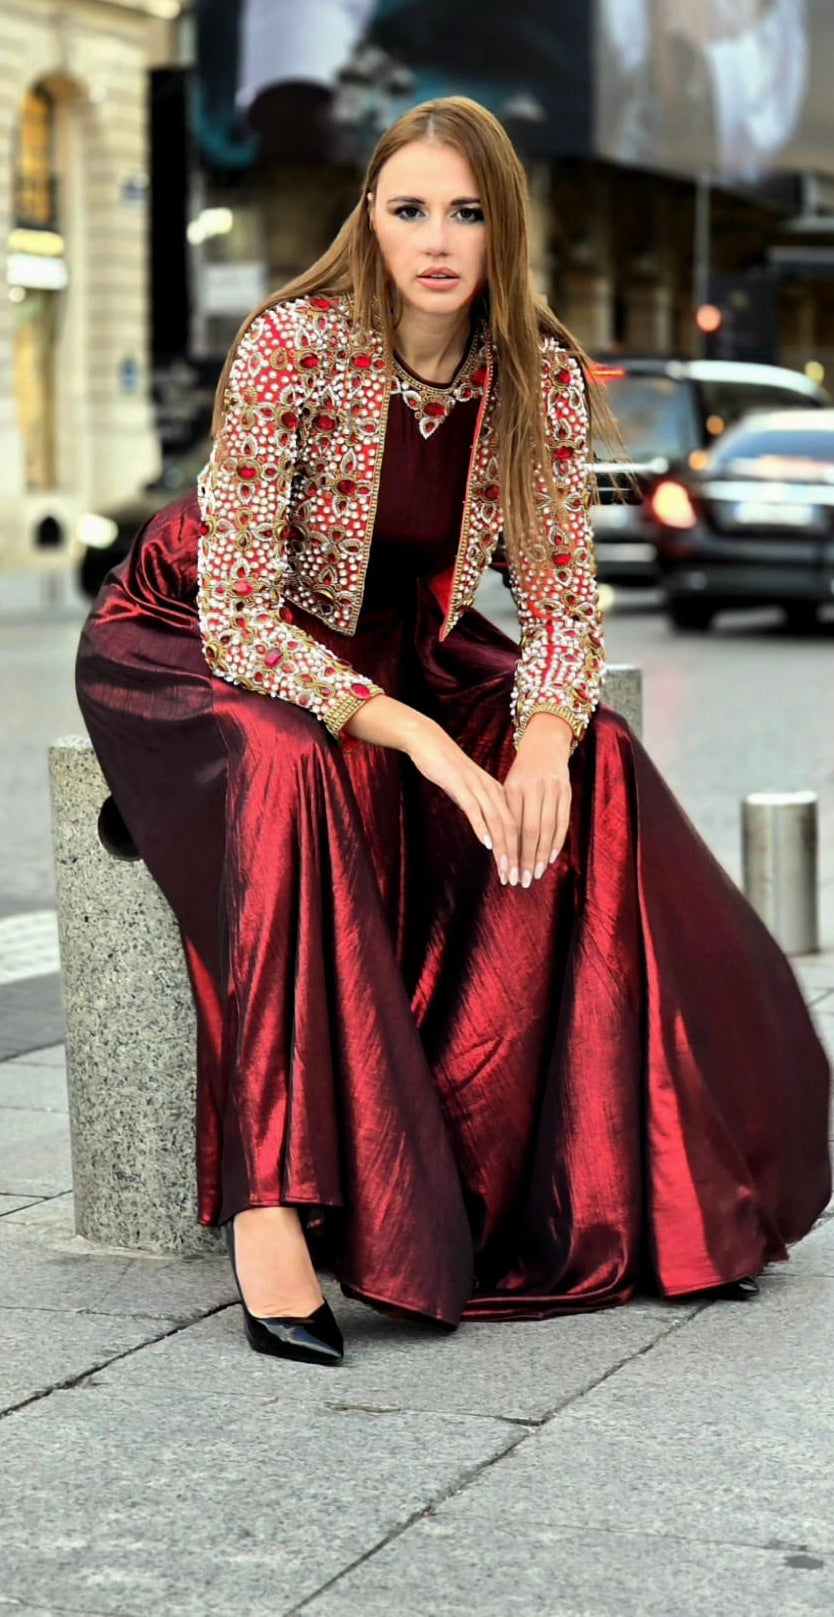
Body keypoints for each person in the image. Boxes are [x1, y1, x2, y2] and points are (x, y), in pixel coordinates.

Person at [76, 96, 831, 1368]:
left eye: (467, 213)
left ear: (503, 231)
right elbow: (250, 619)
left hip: (396, 646)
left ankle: (619, 1185)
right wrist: (427, 746)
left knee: (592, 756)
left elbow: (562, 605)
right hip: (193, 634)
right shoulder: (291, 345)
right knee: (290, 761)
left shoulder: (533, 372)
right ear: (367, 217)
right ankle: (276, 1202)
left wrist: (537, 737)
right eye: (410, 206)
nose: (437, 238)